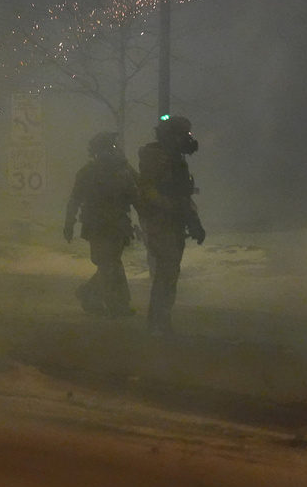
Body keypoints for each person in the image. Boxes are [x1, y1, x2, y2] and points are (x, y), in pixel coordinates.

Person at [137, 115, 206, 334]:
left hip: (172, 223)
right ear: (172, 136)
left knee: (169, 273)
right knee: (166, 273)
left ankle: (161, 320)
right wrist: (170, 207)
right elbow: (148, 189)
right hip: (159, 222)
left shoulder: (175, 159)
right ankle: (158, 322)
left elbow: (183, 197)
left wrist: (194, 222)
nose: (188, 138)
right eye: (183, 134)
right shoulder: (157, 158)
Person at [63, 131, 139, 319]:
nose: (110, 152)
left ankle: (90, 292)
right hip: (97, 226)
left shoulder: (124, 170)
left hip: (118, 225)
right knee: (108, 265)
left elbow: (138, 194)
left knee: (110, 264)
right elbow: (75, 199)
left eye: (112, 147)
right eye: (106, 148)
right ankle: (116, 304)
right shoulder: (88, 172)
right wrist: (69, 223)